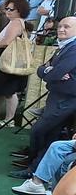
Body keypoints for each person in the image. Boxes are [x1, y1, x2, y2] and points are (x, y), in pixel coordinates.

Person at [21, 17, 76, 175]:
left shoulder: (73, 48)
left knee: (40, 131)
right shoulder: (65, 46)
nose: (61, 29)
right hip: (57, 95)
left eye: (67, 26)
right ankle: (34, 166)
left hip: (66, 99)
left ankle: (34, 166)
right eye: (60, 26)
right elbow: (41, 69)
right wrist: (49, 70)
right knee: (49, 134)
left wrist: (51, 71)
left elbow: (55, 72)